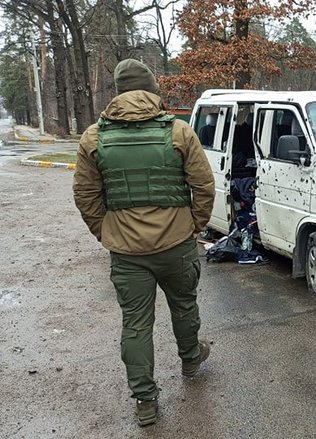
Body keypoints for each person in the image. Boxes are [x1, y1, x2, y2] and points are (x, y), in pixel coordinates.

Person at [72, 59, 216, 426]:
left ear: (119, 93)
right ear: (153, 90)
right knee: (184, 305)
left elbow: (85, 195)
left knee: (136, 324)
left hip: (126, 252)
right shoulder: (179, 132)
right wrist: (192, 226)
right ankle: (190, 358)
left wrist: (106, 230)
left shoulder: (94, 137)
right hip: (176, 244)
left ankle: (145, 400)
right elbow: (203, 186)